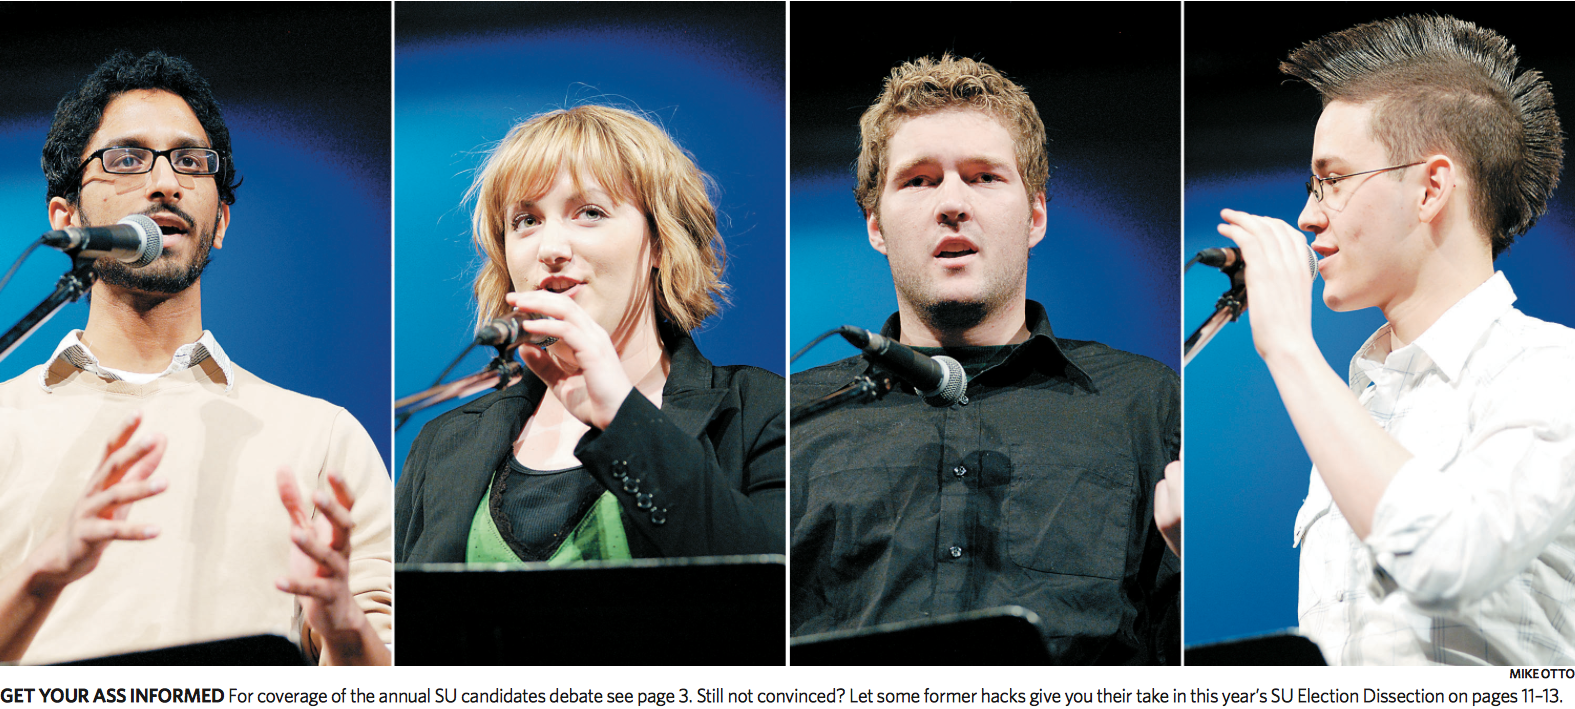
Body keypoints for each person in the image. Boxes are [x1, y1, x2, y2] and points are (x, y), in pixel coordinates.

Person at [0, 51, 391, 665]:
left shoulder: (322, 439)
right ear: (66, 217)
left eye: (189, 161)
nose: (165, 183)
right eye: (126, 158)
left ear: (221, 221)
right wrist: (41, 576)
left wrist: (343, 631)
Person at [790, 54, 1180, 664]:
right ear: (876, 226)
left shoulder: (1144, 403)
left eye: (984, 177)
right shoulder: (796, 417)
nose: (952, 203)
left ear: (1035, 216)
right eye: (919, 180)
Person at [1218, 14, 1575, 665]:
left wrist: (1290, 347)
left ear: (1431, 188)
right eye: (1311, 186)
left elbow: (1446, 560)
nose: (1307, 215)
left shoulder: (1551, 371)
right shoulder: (1364, 401)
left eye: (1332, 180)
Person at [395, 105, 784, 564]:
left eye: (590, 212)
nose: (551, 249)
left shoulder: (758, 411)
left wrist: (624, 417)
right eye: (526, 221)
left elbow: (771, 588)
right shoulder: (443, 443)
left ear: (661, 242)